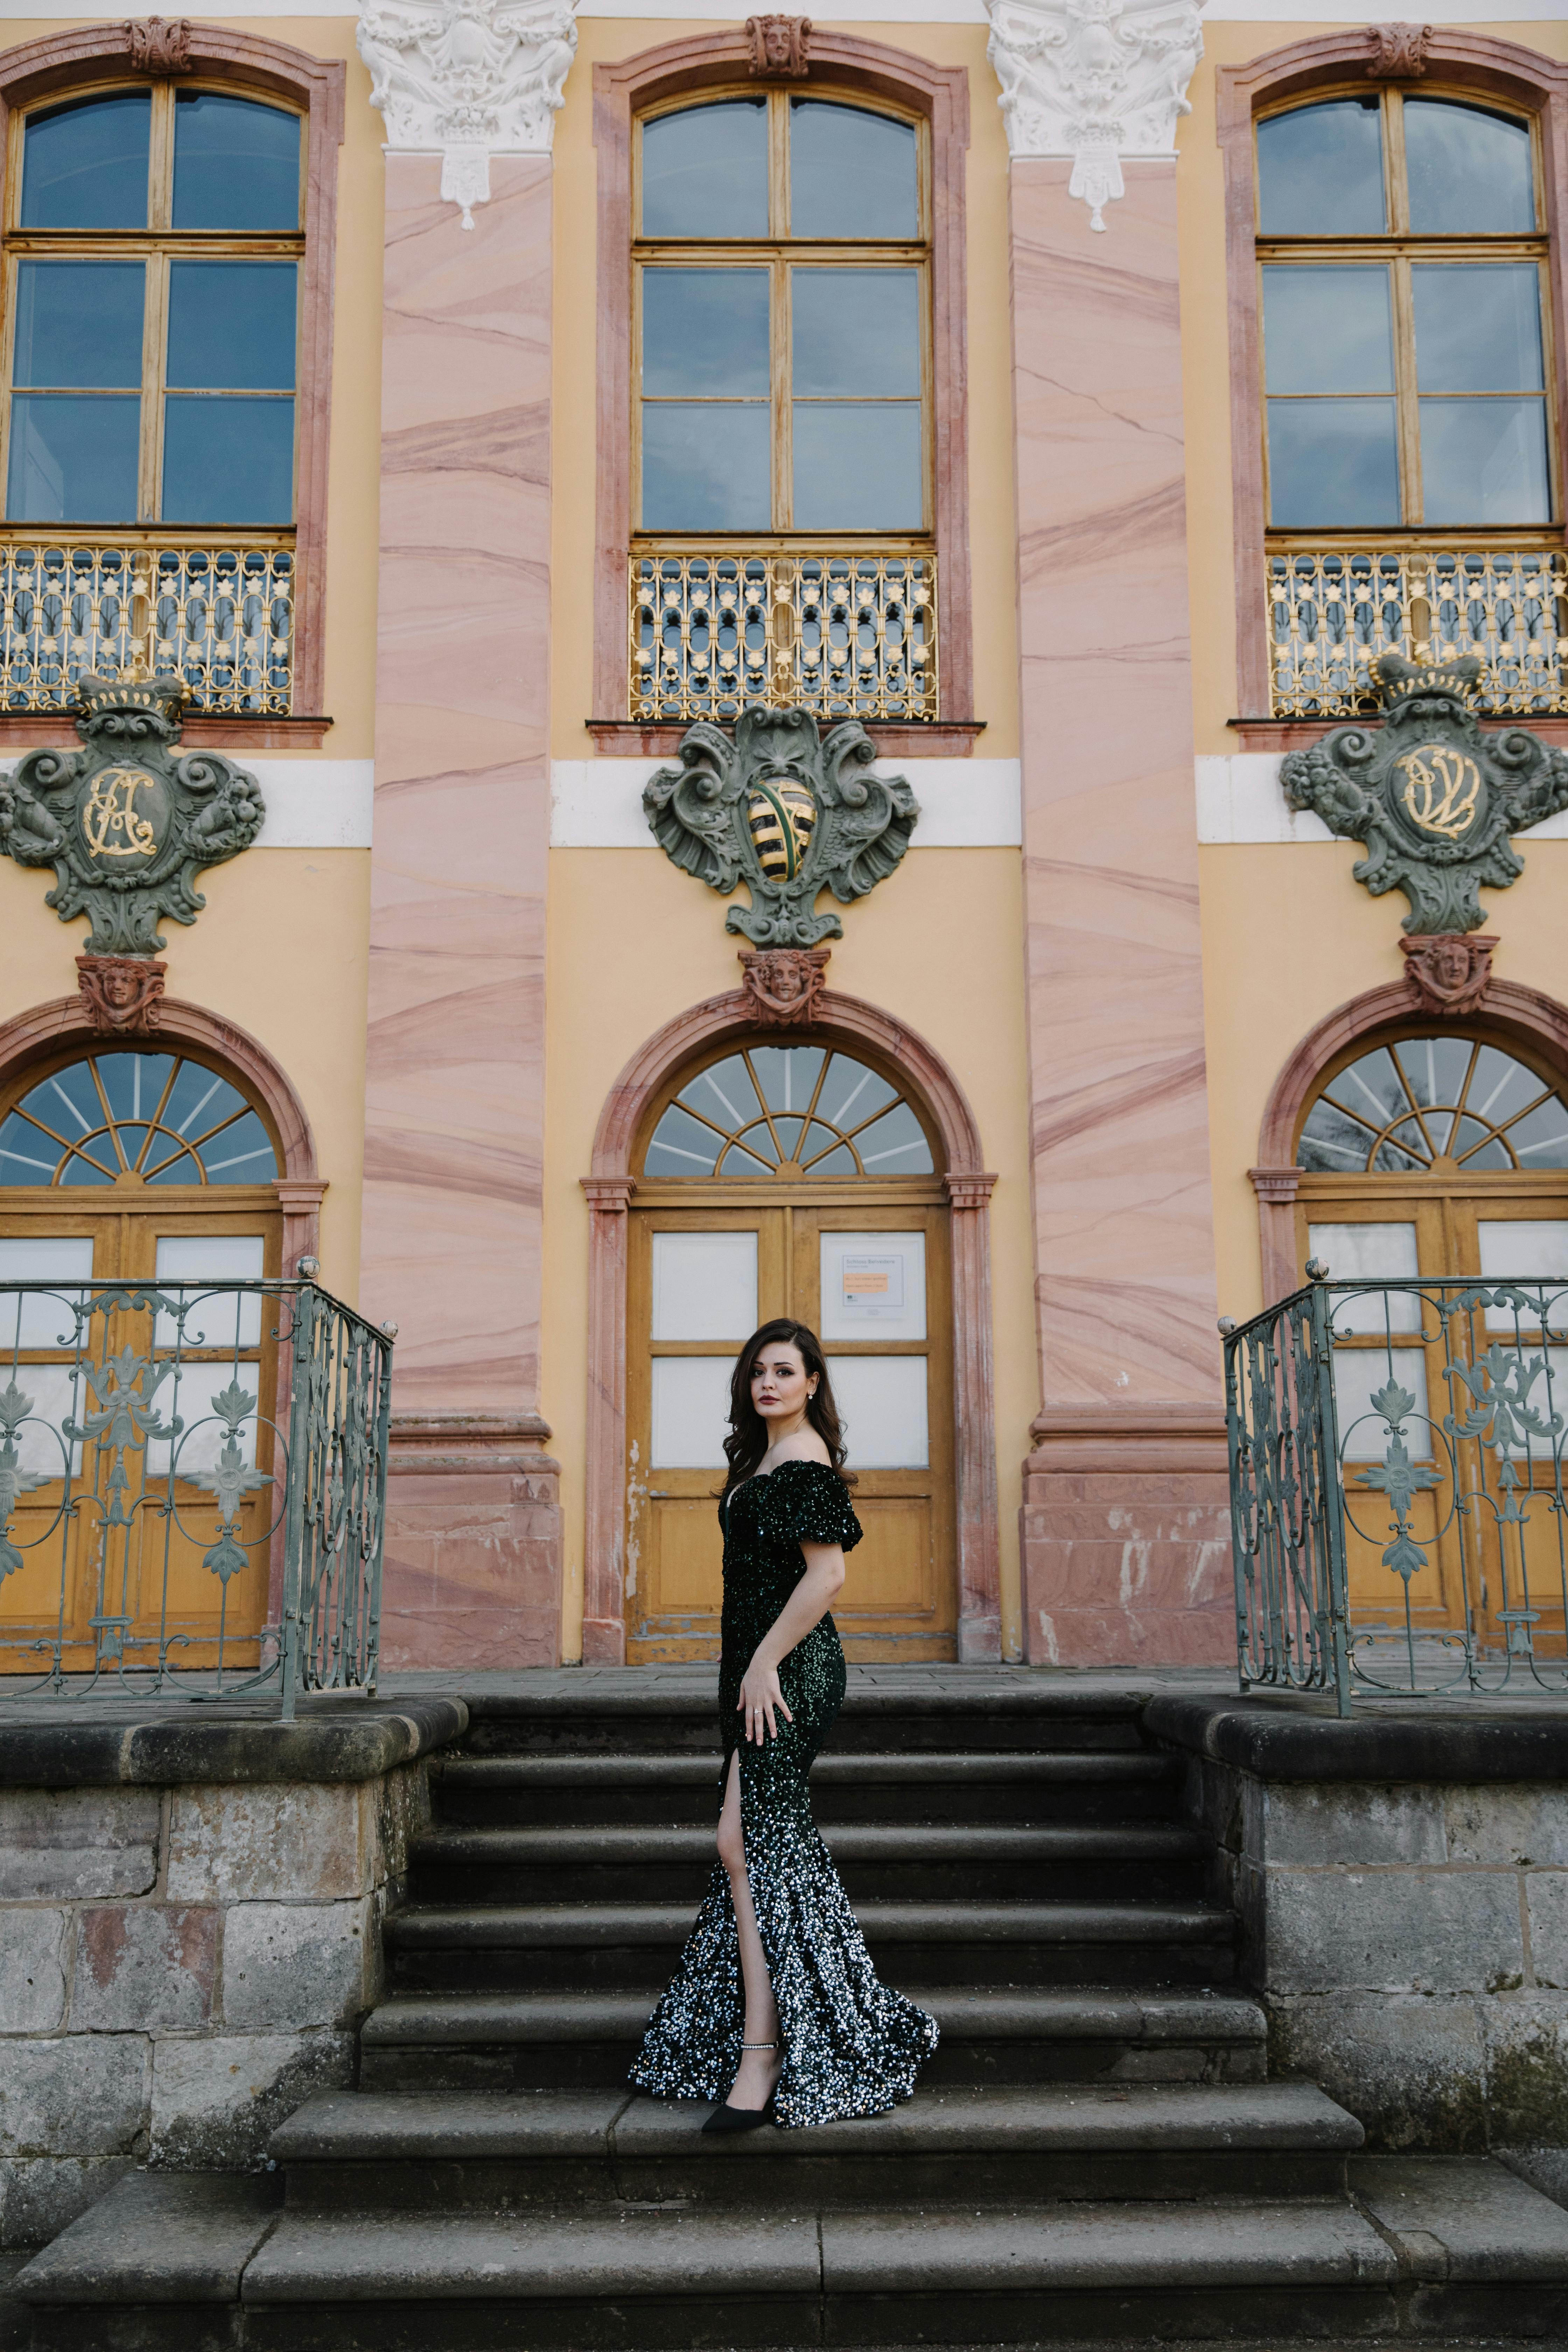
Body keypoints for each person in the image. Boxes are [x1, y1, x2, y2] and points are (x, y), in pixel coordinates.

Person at [629, 1317, 938, 2130]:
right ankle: (803, 2019)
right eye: (759, 1371)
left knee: (749, 1842)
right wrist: (750, 1667)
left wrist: (765, 1662)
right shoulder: (761, 1457)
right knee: (744, 1843)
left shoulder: (803, 1459)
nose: (769, 1382)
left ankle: (763, 2056)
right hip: (756, 1670)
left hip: (790, 1669)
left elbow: (827, 1574)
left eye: (785, 1371)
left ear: (810, 1385)